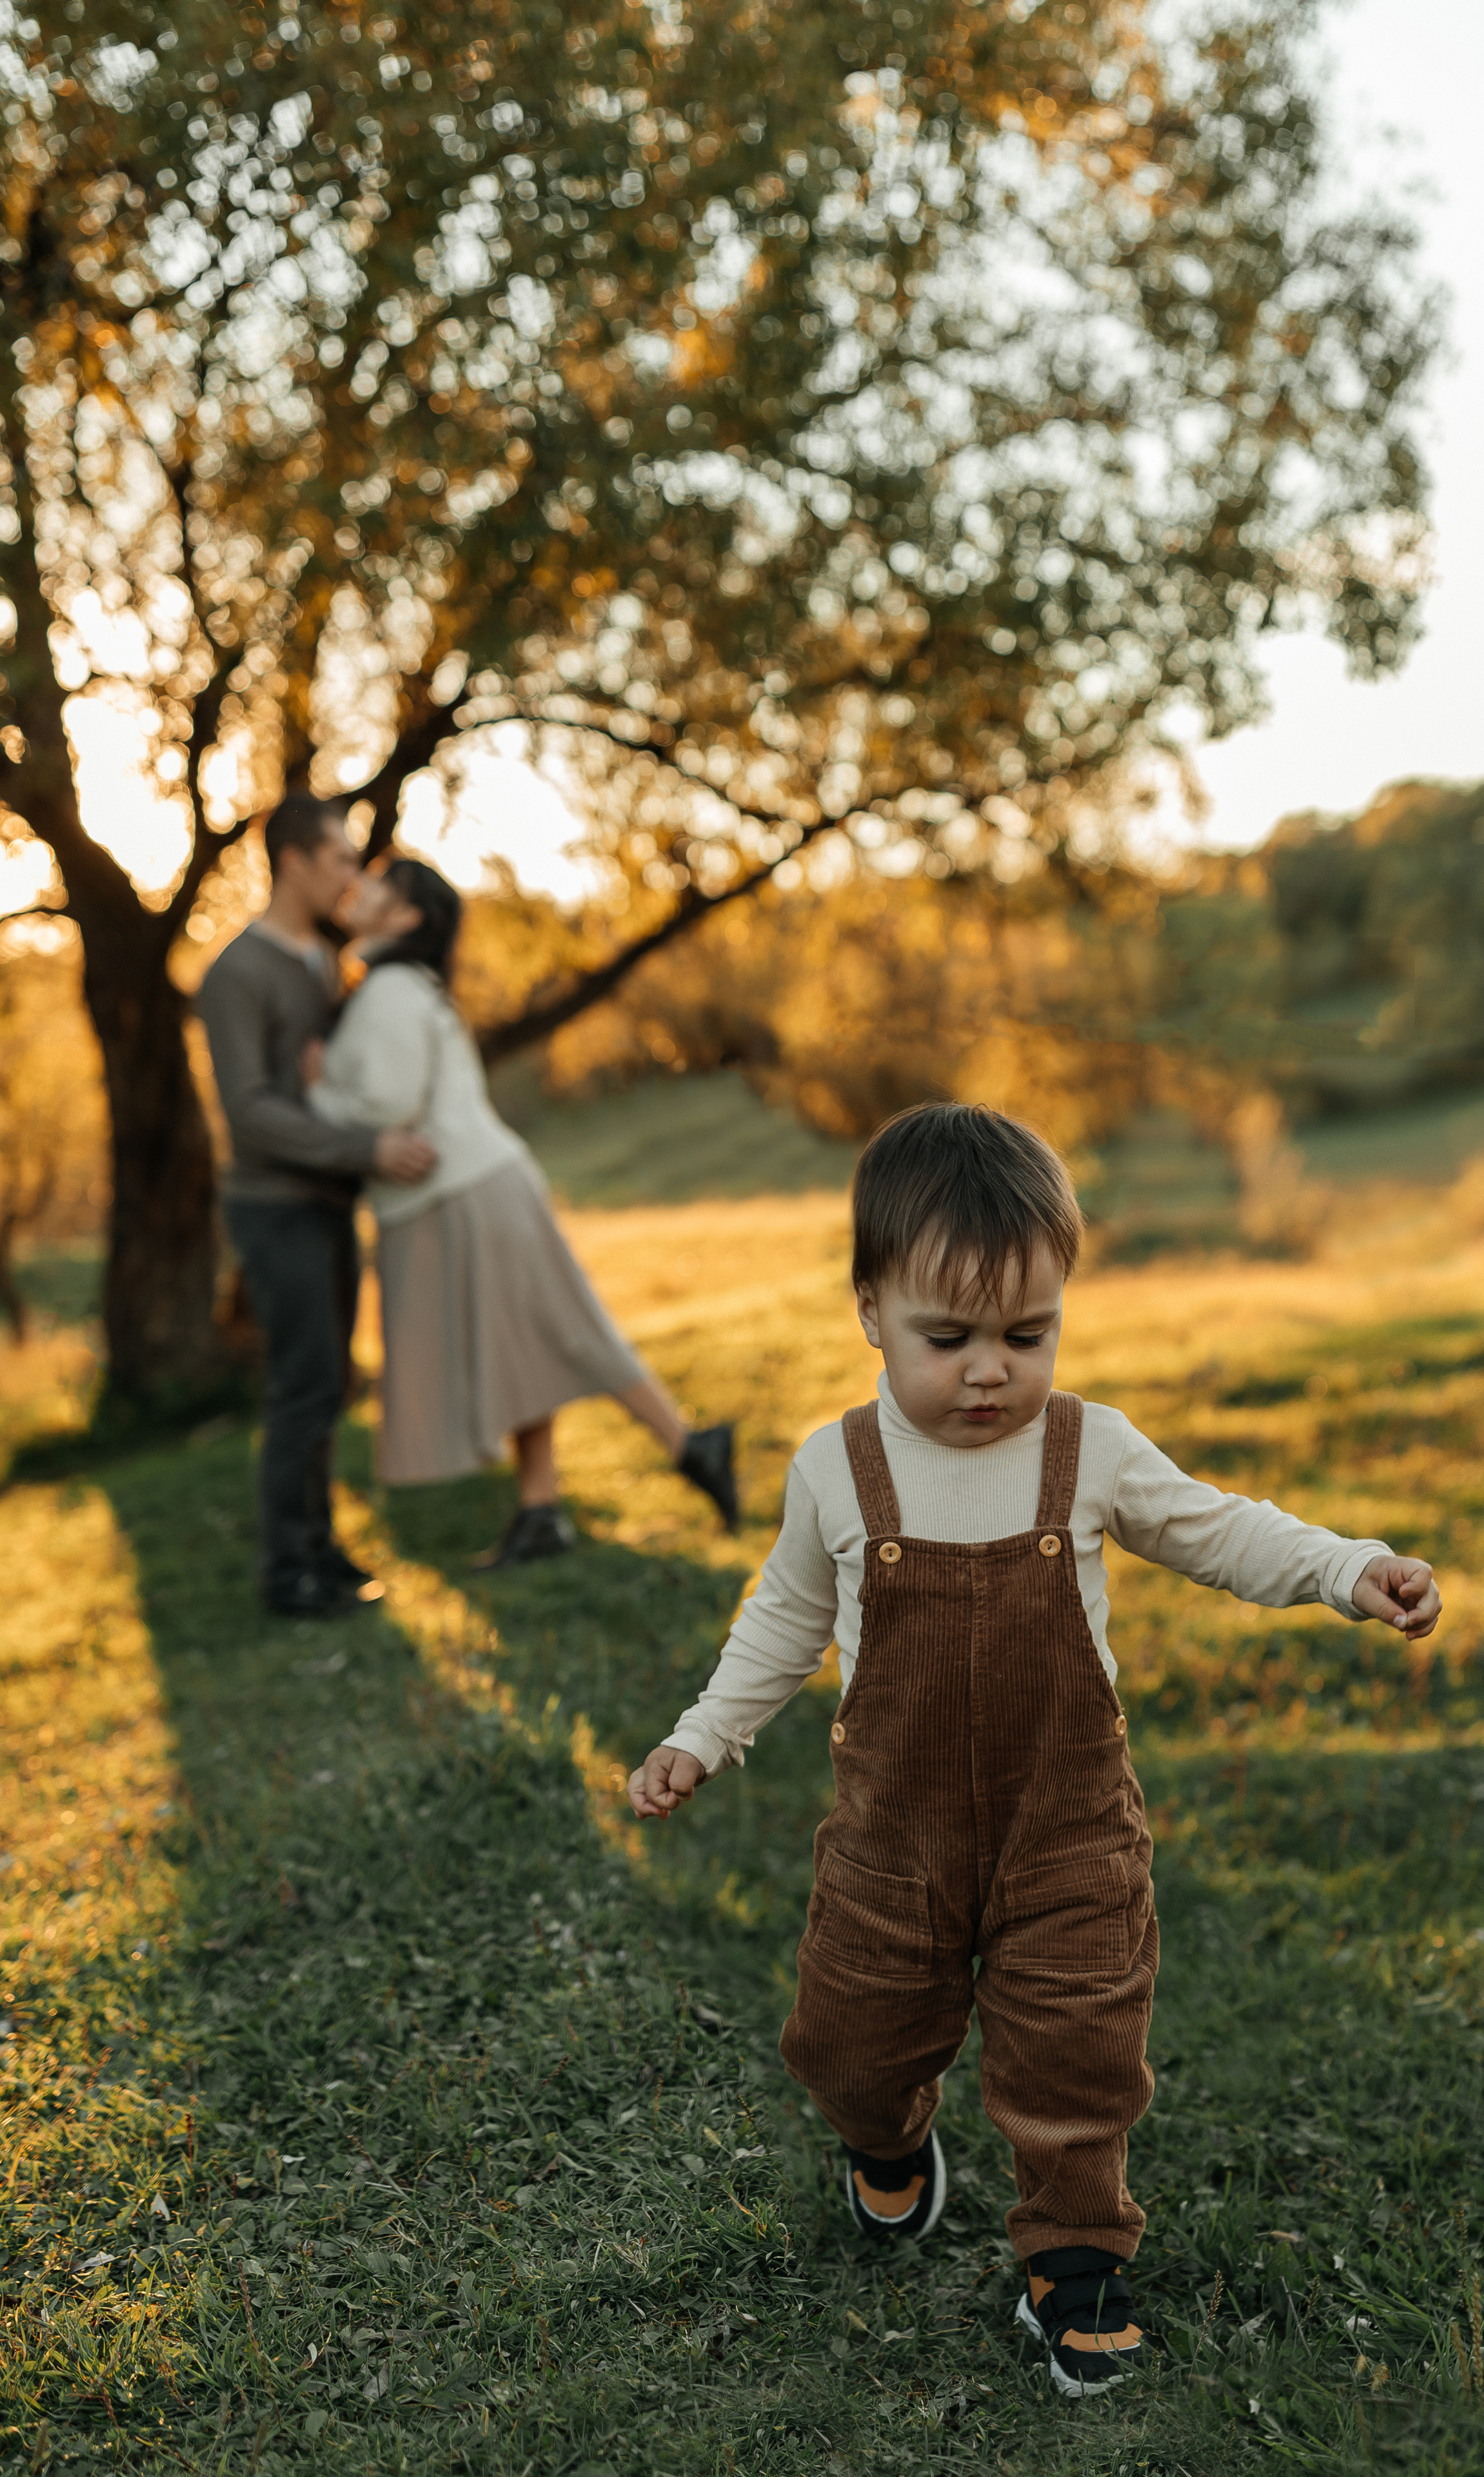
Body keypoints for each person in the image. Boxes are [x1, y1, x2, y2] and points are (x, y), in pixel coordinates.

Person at [626, 1102, 1441, 2402]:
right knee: (847, 2039)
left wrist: (1347, 1569)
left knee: (1077, 2051)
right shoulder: (835, 1468)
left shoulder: (1087, 1449)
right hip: (892, 1844)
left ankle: (1072, 2261)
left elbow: (1216, 1530)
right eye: (945, 1339)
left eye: (1026, 1333)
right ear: (869, 1312)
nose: (990, 1370)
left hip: (1066, 1832)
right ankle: (883, 2140)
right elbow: (782, 1620)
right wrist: (700, 1736)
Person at [304, 855, 738, 1564]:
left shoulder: (388, 988)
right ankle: (545, 1510)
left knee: (563, 1332)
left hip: (469, 1192)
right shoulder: (401, 984)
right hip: (475, 1187)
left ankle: (690, 1447)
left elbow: (386, 1106)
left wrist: (317, 1090)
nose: (363, 885)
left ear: (407, 917)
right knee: (528, 1345)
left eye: (382, 882)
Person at [196, 795, 437, 1618]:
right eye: (337, 857)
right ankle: (286, 1572)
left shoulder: (320, 963)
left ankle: (319, 1548)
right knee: (302, 1387)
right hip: (274, 1208)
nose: (350, 873)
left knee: (329, 1383)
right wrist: (366, 1150)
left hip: (326, 1204)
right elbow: (252, 1112)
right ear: (293, 861)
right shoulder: (235, 972)